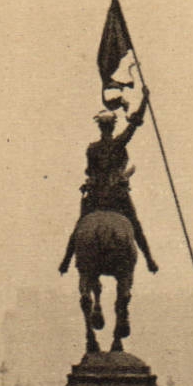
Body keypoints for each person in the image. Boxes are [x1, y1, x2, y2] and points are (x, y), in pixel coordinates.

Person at [76, 89, 157, 274]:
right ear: (113, 126)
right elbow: (134, 124)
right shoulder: (118, 143)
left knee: (80, 226)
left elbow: (90, 171)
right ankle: (149, 259)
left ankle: (66, 260)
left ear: (100, 127)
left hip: (96, 196)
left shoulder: (92, 148)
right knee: (135, 225)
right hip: (117, 197)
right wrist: (145, 99)